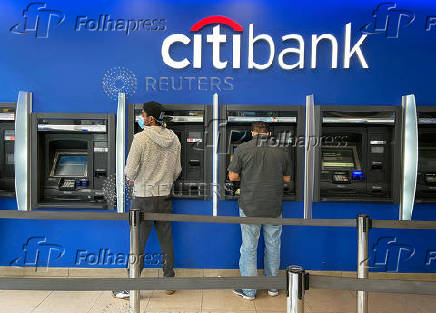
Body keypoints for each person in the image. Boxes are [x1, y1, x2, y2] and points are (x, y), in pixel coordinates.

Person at [112, 101, 182, 300]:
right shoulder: (174, 139)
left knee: (138, 244)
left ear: (151, 118)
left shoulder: (140, 139)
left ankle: (131, 286)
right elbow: (177, 170)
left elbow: (130, 170)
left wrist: (133, 177)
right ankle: (169, 281)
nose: (141, 118)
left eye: (143, 115)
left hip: (143, 198)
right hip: (165, 196)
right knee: (166, 240)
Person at [228, 122, 291, 300]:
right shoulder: (281, 150)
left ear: (252, 133)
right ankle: (272, 287)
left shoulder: (242, 148)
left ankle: (249, 291)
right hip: (274, 206)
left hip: (250, 206)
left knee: (249, 246)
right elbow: (287, 178)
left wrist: (248, 176)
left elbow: (233, 176)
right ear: (269, 133)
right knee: (273, 245)